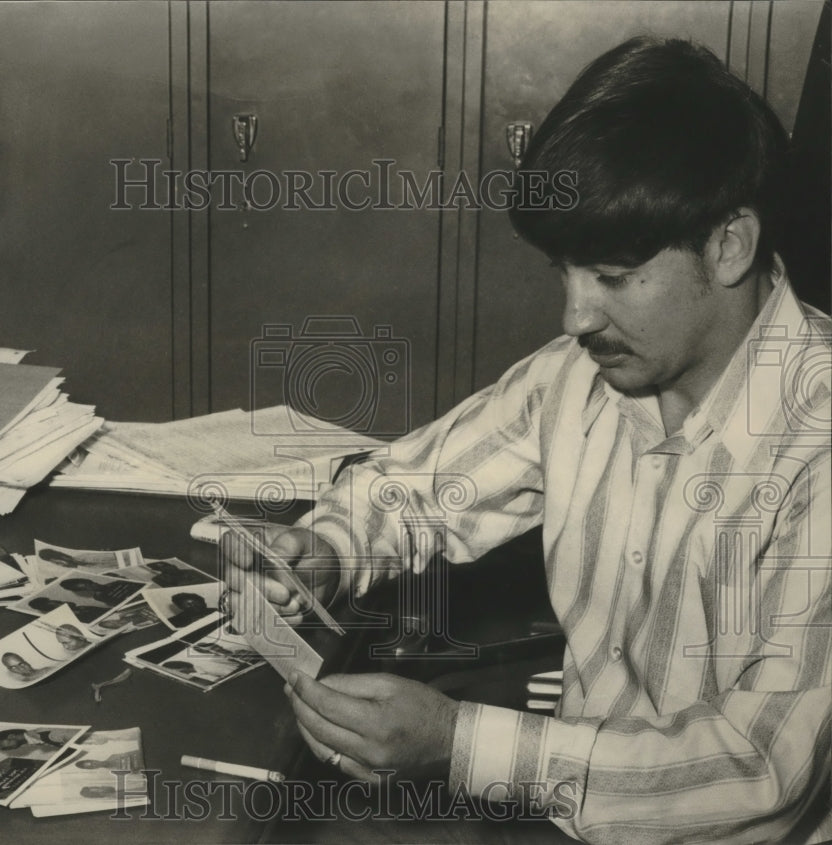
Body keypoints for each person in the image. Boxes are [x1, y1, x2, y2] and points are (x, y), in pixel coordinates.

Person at [223, 37, 831, 844]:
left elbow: (758, 770)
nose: (575, 317)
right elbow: (416, 488)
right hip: (570, 814)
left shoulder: (816, 448)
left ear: (730, 245)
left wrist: (459, 744)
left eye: (612, 276)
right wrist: (327, 547)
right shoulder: (580, 376)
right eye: (564, 272)